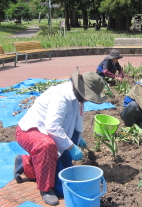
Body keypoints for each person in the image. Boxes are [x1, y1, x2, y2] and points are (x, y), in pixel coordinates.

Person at [14, 68, 106, 206]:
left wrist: (78, 138)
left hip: (50, 133)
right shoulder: (61, 97)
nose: (88, 99)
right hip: (29, 131)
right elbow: (52, 127)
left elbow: (77, 119)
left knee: (61, 183)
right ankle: (45, 189)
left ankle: (26, 162)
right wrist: (70, 147)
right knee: (46, 146)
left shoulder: (77, 97)